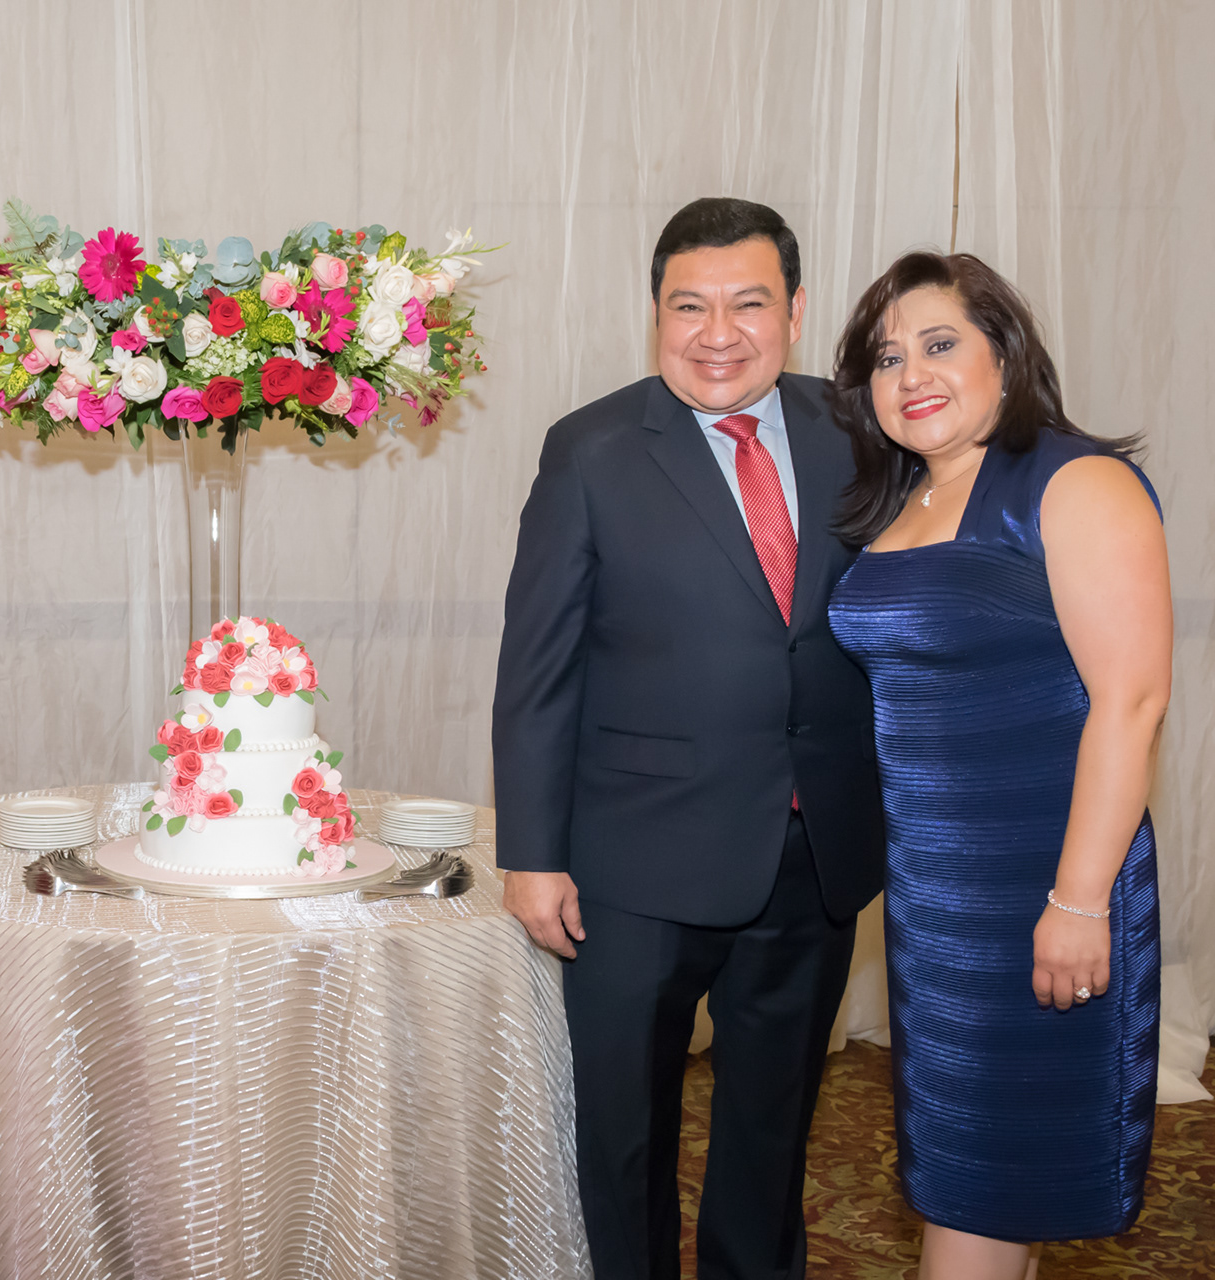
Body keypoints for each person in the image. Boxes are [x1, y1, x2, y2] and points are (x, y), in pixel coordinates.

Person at [493, 197, 885, 1280]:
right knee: (625, 1140)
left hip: (813, 852)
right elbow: (537, 667)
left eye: (748, 304)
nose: (718, 334)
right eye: (688, 306)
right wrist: (532, 853)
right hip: (635, 860)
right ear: (656, 313)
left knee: (773, 1131)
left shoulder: (861, 430)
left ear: (794, 311)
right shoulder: (592, 449)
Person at [826, 252, 1165, 1280]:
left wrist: (1079, 901)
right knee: (979, 1175)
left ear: (1005, 358)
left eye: (940, 344)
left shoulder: (1073, 480)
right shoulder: (902, 499)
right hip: (936, 905)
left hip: (1045, 882)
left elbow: (1132, 701)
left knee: (981, 1181)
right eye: (888, 358)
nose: (911, 375)